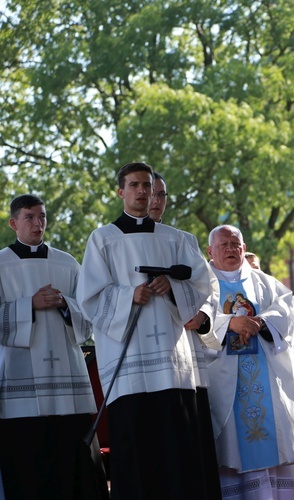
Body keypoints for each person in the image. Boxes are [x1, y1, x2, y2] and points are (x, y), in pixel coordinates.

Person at [77, 162, 215, 500]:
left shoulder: (178, 240)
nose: (142, 191)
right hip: (129, 372)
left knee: (177, 453)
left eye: (147, 186)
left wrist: (172, 286)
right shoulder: (103, 240)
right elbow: (88, 298)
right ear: (120, 191)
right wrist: (128, 296)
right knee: (137, 456)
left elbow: (204, 283)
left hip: (173, 368)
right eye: (134, 185)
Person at [0, 194, 107, 499]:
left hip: (67, 382)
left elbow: (89, 314)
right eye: (30, 217)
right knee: (29, 465)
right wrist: (28, 305)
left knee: (74, 460)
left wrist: (65, 305)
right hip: (20, 384)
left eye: (42, 217)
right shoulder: (1, 264)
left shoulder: (67, 262)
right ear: (13, 223)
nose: (38, 223)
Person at [203, 225, 294, 499]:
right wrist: (230, 324)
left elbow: (284, 309)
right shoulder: (201, 285)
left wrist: (261, 322)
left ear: (244, 248)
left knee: (273, 443)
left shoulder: (264, 282)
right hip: (223, 382)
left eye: (236, 244)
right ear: (210, 251)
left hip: (266, 380)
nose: (231, 249)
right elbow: (196, 320)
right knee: (230, 450)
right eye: (224, 245)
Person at [151, 171, 222, 499]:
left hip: (184, 367)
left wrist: (203, 314)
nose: (155, 200)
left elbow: (208, 286)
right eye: (149, 191)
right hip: (145, 369)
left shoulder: (181, 240)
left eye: (162, 194)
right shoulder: (112, 240)